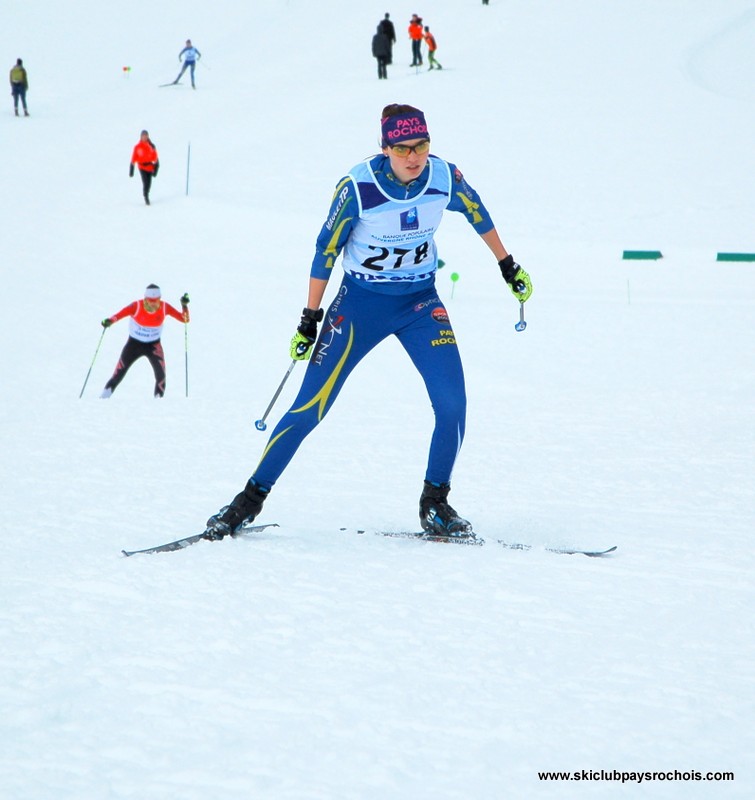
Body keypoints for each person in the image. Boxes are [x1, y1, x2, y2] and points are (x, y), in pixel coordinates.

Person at [202, 103, 533, 542]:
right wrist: (309, 318)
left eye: (421, 146)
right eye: (402, 149)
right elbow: (325, 250)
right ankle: (247, 501)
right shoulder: (359, 186)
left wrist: (506, 264)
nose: (414, 157)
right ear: (385, 148)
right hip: (359, 307)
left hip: (420, 303)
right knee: (309, 409)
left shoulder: (442, 177)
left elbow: (477, 212)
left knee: (452, 405)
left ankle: (435, 504)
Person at [100, 285, 190, 398]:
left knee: (161, 377)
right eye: (150, 301)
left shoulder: (164, 307)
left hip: (153, 346)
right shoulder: (136, 306)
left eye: (156, 300)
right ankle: (102, 399)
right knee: (118, 374)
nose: (153, 303)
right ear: (145, 299)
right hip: (133, 345)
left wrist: (184, 306)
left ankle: (158, 404)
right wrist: (109, 321)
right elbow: (119, 315)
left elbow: (185, 319)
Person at [129, 130, 159, 206]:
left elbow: (155, 158)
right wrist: (131, 170)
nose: (145, 137)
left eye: (146, 136)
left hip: (150, 167)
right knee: (145, 182)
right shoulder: (137, 147)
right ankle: (146, 197)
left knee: (149, 184)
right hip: (142, 167)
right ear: (141, 137)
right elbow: (134, 158)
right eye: (143, 136)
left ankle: (147, 192)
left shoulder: (151, 146)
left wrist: (156, 168)